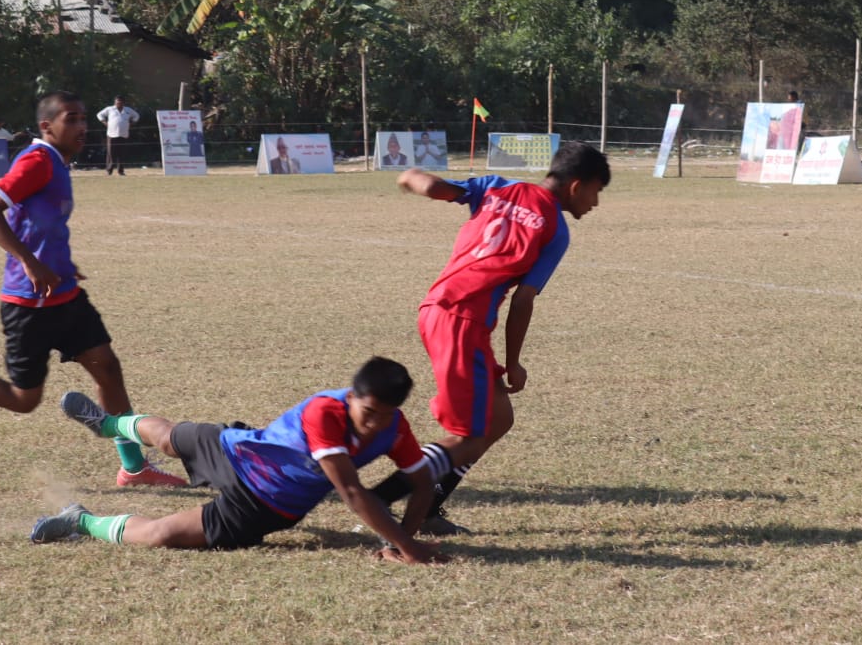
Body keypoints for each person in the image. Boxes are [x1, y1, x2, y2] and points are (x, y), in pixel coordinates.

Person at [0, 91, 185, 488]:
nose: (83, 127)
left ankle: (133, 469)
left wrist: (60, 265)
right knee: (23, 400)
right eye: (72, 119)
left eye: (84, 118)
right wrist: (31, 263)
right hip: (28, 305)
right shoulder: (36, 160)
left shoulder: (60, 163)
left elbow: (41, 226)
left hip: (64, 296)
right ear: (47, 126)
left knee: (109, 372)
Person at [370, 140, 610, 534]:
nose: (595, 203)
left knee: (498, 417)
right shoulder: (555, 230)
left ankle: (430, 506)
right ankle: (382, 499)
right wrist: (514, 361)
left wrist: (411, 176)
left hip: (438, 308)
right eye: (597, 192)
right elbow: (523, 302)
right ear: (576, 186)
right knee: (468, 436)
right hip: (461, 322)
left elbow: (435, 188)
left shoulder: (498, 186)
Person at [30, 357, 442, 564]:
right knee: (170, 438)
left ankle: (80, 521)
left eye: (384, 416)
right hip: (237, 450)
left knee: (160, 535)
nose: (373, 426)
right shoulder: (325, 411)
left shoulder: (395, 428)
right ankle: (109, 425)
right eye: (367, 413)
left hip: (266, 506)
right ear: (351, 397)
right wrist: (409, 546)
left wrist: (399, 540)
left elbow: (422, 483)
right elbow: (351, 492)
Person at [97, 96, 139, 175]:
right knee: (111, 153)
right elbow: (99, 115)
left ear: (123, 103)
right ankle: (109, 171)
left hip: (123, 134)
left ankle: (121, 171)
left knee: (122, 153)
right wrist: (104, 122)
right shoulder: (109, 109)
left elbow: (137, 116)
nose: (118, 104)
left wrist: (132, 123)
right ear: (115, 102)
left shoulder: (128, 110)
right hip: (111, 134)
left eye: (120, 103)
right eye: (117, 103)